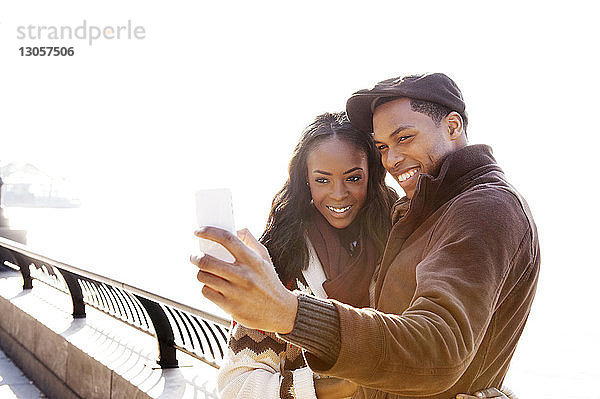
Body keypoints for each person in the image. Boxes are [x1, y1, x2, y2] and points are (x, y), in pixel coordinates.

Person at [192, 73, 538, 398]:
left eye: (404, 138)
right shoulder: (286, 258)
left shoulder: (477, 209)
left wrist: (292, 314)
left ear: (452, 126)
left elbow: (439, 347)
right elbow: (237, 385)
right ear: (306, 182)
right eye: (384, 147)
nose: (394, 158)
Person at [216, 111, 398, 399]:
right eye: (323, 180)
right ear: (306, 180)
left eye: (353, 178)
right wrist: (335, 387)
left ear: (372, 174)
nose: (339, 194)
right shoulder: (280, 261)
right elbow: (236, 390)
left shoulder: (400, 242)